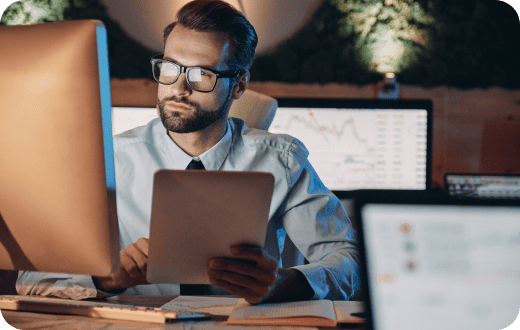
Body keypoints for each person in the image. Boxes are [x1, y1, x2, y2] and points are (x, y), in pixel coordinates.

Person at [17, 0, 360, 304]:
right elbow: (32, 279)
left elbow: (350, 260)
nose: (177, 89)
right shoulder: (108, 162)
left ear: (239, 84)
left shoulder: (281, 159)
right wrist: (107, 279)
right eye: (170, 67)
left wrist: (285, 283)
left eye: (201, 74)